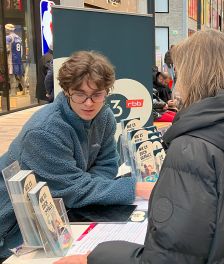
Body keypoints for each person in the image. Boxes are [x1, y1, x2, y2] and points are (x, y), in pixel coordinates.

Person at [57, 29, 224, 264]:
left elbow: (168, 259)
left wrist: (95, 257)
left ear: (193, 76)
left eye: (179, 73)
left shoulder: (193, 149)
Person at [0, 51, 153, 261]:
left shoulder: (105, 116)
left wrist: (86, 185)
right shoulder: (45, 131)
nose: (89, 103)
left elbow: (108, 164)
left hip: (54, 218)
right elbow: (73, 189)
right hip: (11, 229)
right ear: (66, 91)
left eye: (97, 94)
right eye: (79, 94)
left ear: (106, 92)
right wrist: (133, 188)